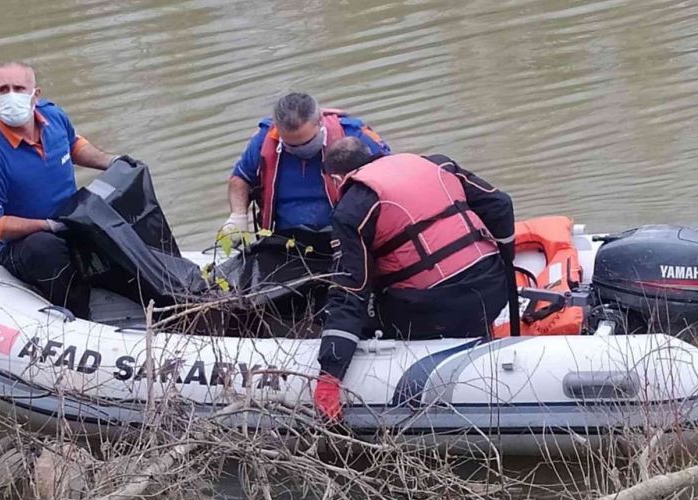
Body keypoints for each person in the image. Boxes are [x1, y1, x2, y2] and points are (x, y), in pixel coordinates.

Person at [313, 137, 516, 421]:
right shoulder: (436, 163)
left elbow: (350, 292)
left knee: (356, 312)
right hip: (495, 288)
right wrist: (507, 263)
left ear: (335, 179)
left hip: (438, 311)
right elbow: (501, 205)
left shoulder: (352, 208)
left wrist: (329, 376)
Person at [0, 61, 123, 319]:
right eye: (3, 90)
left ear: (35, 94)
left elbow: (74, 146)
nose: (11, 95)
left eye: (19, 87)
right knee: (44, 248)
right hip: (25, 247)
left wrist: (113, 161)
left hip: (71, 224)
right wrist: (46, 226)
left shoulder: (54, 117)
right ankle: (78, 318)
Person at [218, 93, 390, 241]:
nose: (300, 150)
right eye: (291, 146)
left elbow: (391, 176)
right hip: (285, 241)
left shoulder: (354, 136)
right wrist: (238, 216)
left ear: (320, 122)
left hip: (347, 236)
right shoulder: (264, 141)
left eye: (307, 142)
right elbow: (241, 178)